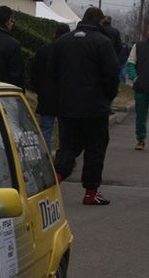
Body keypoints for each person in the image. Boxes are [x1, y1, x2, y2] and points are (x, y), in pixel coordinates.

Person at [48, 6, 119, 205]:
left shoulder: (62, 42)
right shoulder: (103, 43)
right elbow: (111, 75)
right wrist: (108, 98)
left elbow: (51, 72)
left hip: (68, 106)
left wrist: (60, 96)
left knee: (68, 147)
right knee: (95, 149)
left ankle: (55, 181)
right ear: (100, 21)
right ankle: (90, 192)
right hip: (95, 107)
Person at [31, 22, 71, 152]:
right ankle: (64, 158)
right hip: (65, 97)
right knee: (65, 131)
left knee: (46, 129)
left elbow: (34, 73)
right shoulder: (70, 52)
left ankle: (46, 158)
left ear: (55, 34)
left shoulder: (43, 50)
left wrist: (39, 90)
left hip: (46, 96)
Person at [126, 22, 149, 153]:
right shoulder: (139, 46)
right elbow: (130, 64)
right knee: (141, 115)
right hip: (141, 87)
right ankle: (140, 139)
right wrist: (135, 79)